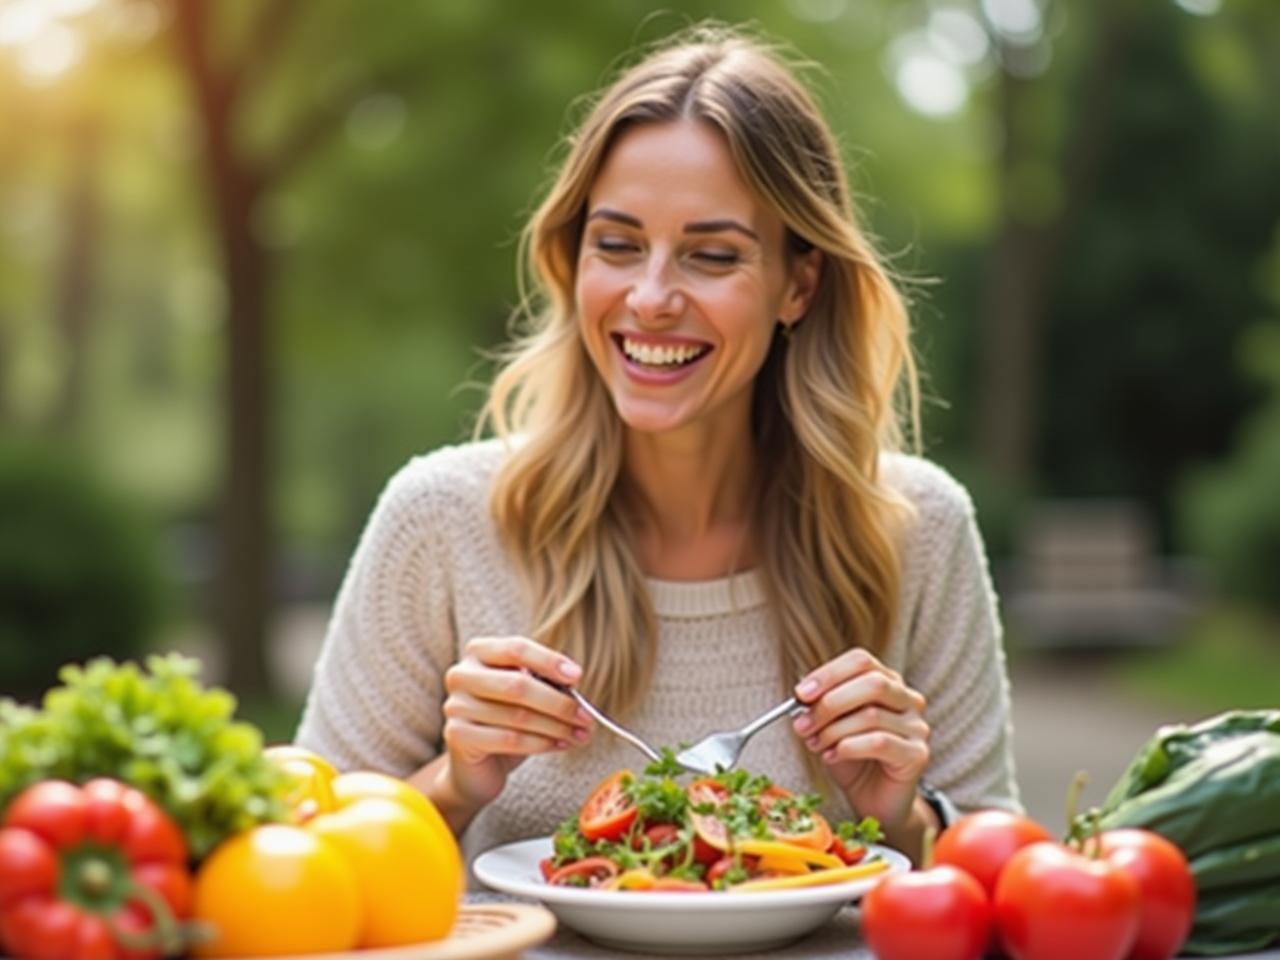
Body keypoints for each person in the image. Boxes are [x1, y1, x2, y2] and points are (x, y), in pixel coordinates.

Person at [294, 24, 1020, 870]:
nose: (649, 297)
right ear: (574, 260)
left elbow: (1000, 873)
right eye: (618, 244)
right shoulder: (442, 520)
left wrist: (905, 818)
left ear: (799, 283)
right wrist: (455, 784)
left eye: (712, 255)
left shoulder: (919, 527)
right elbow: (309, 859)